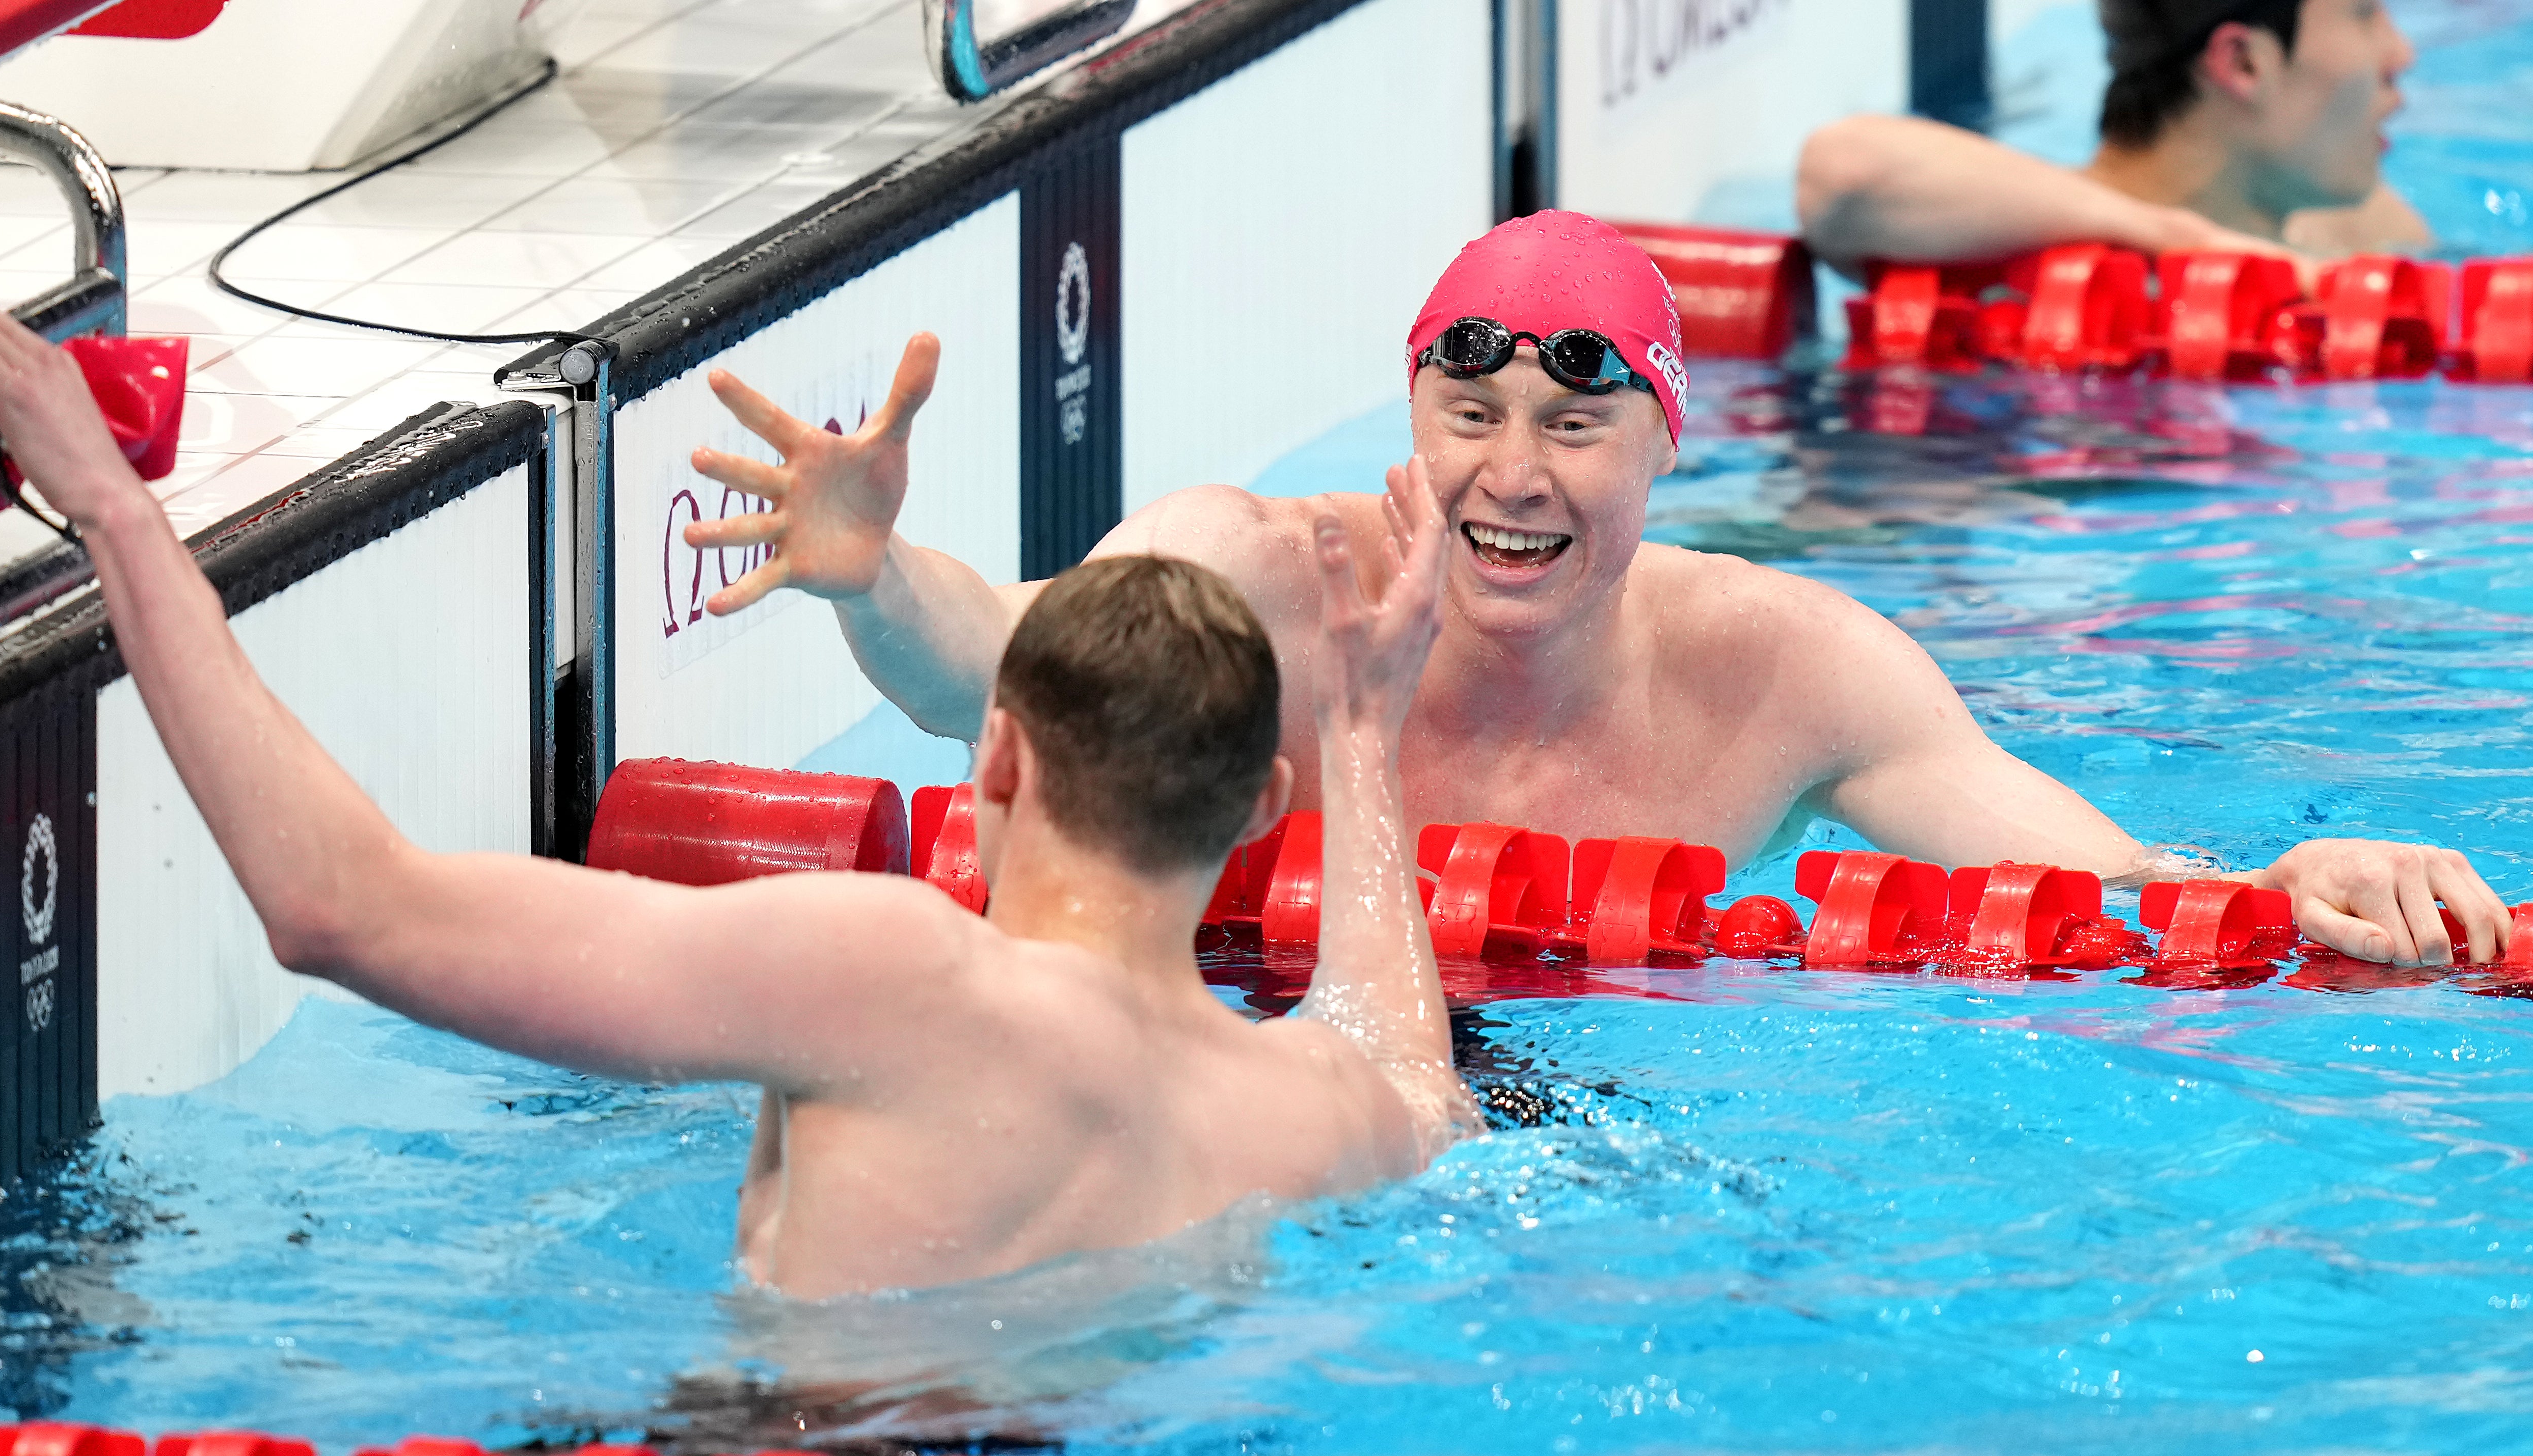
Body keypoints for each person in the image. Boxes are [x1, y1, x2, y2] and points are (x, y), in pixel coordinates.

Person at [0, 299, 1479, 1302]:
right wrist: (1363, 725)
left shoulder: (897, 978)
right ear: (1255, 796)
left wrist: (112, 502)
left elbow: (340, 904)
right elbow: (1418, 1068)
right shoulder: (1312, 1104)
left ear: (996, 759)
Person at [680, 209, 2513, 968]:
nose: (1507, 473)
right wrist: (868, 581)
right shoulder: (1254, 570)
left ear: (1663, 448)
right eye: (1464, 410)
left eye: (1571, 421)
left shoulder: (1784, 661)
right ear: (1408, 409)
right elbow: (996, 676)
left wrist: (2269, 893)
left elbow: (2077, 872)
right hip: (1240, 1028)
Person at [1794, 0, 2427, 276]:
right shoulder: (2002, 239)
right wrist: (2182, 240)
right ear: (2244, 63)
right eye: (2366, 12)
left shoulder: (2365, 229)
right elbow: (1843, 170)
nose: (2402, 52)